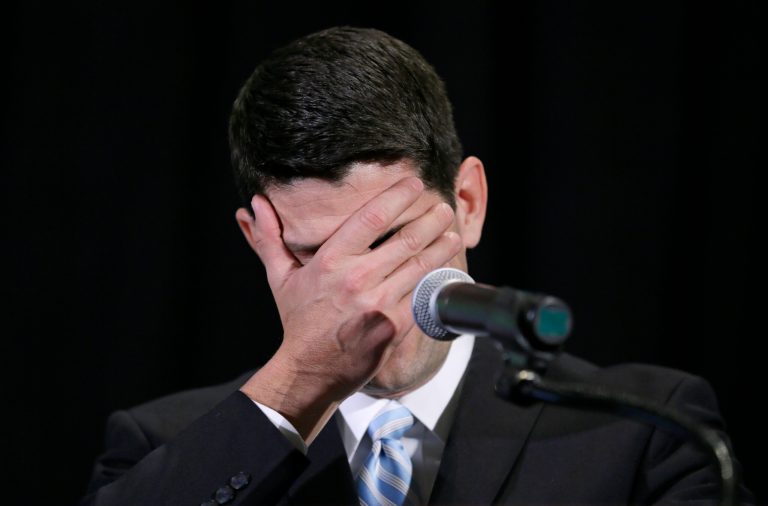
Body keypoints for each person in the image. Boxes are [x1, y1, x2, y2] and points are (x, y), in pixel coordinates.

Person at [81, 27, 751, 506]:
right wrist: (300, 380)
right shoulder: (158, 445)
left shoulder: (645, 432)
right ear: (258, 239)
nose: (364, 298)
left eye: (390, 244)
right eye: (316, 258)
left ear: (467, 203)